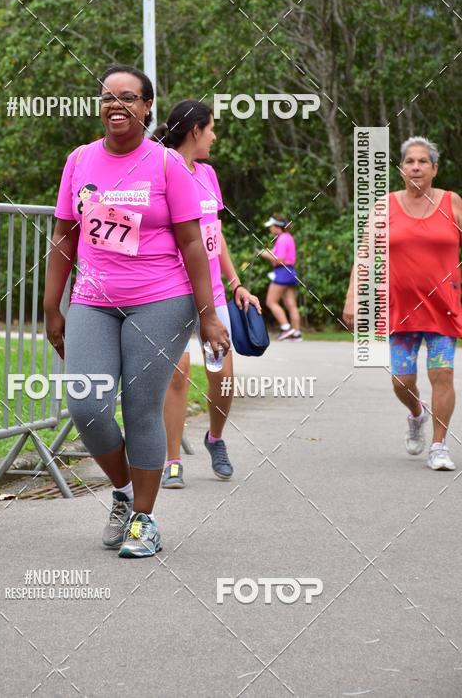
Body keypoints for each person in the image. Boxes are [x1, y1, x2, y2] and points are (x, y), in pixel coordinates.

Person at [44, 65, 230, 558]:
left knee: (140, 408)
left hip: (162, 299)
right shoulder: (80, 160)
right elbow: (64, 237)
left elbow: (193, 243)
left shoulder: (167, 164)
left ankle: (144, 522)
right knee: (87, 405)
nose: (116, 106)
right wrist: (51, 305)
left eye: (128, 98)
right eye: (107, 97)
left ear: (147, 107)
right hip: (93, 299)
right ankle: (125, 493)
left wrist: (208, 314)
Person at [153, 101, 261, 489]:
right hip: (169, 290)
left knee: (223, 377)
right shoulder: (160, 167)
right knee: (177, 377)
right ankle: (172, 460)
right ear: (196, 130)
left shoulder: (209, 174)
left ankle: (215, 438)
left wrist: (236, 283)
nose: (215, 136)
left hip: (213, 293)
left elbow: (215, 234)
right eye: (212, 128)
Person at [343, 136, 462, 471]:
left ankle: (438, 445)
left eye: (423, 161)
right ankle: (416, 413)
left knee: (442, 374)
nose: (416, 167)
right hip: (400, 310)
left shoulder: (452, 203)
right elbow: (365, 254)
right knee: (402, 380)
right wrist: (353, 297)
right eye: (410, 161)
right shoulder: (385, 206)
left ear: (435, 168)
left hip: (443, 307)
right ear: (400, 169)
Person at [258, 215, 302, 340]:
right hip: (290, 271)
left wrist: (264, 254)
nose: (270, 229)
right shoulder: (287, 237)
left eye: (271, 226)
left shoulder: (282, 238)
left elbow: (280, 259)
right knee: (291, 304)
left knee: (271, 302)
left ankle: (286, 328)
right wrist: (267, 252)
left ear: (277, 227)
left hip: (282, 271)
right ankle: (296, 334)